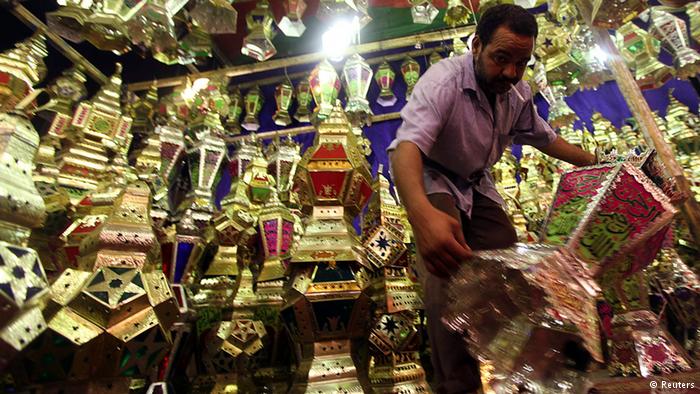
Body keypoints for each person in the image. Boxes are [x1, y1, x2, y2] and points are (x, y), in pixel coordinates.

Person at [387, 4, 596, 393]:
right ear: (477, 45)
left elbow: (546, 138)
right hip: (433, 178)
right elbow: (406, 148)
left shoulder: (517, 91)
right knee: (447, 272)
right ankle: (457, 385)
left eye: (522, 62)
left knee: (512, 269)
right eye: (501, 58)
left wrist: (595, 163)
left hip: (477, 186)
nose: (511, 73)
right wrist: (421, 215)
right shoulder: (443, 81)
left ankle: (525, 375)